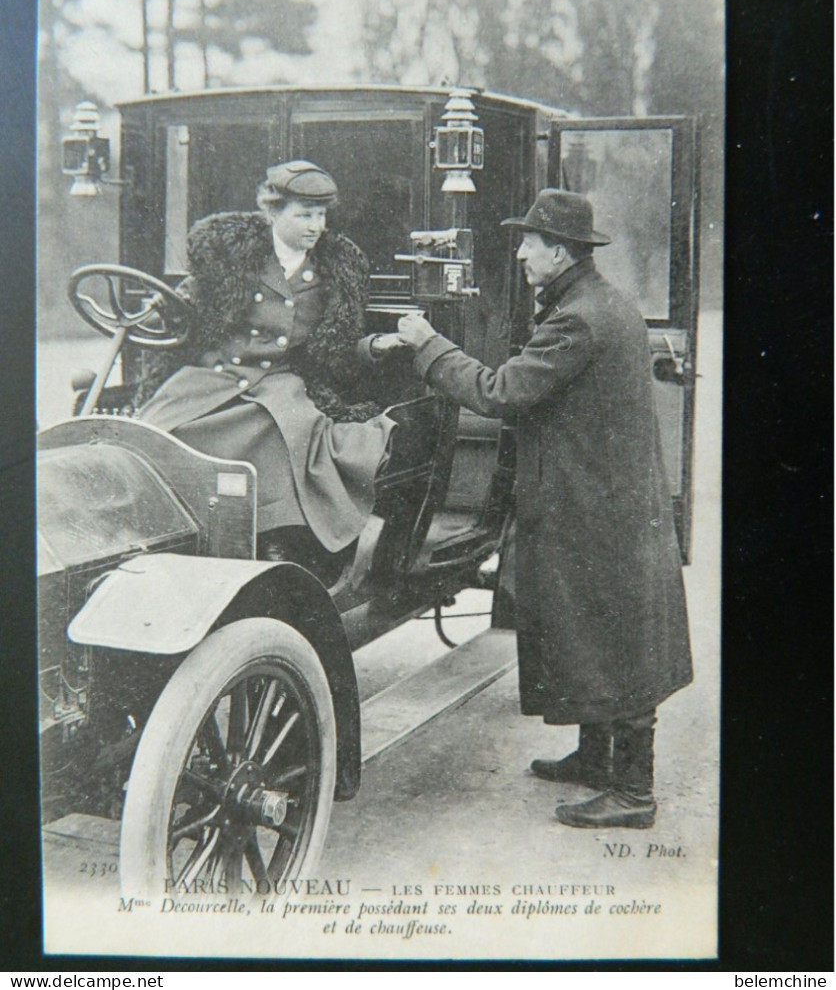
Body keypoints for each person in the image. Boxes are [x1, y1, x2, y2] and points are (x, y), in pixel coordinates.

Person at [398, 188, 693, 829]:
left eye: (530, 242)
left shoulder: (578, 318)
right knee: (595, 627)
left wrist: (428, 345)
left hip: (599, 507)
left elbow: (501, 392)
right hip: (604, 500)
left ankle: (634, 793)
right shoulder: (593, 301)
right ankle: (595, 760)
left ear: (558, 251)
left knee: (615, 636)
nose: (523, 254)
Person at [138, 160, 403, 566]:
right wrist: (158, 313)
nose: (315, 226)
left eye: (321, 215)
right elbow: (187, 308)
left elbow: (339, 344)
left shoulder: (331, 273)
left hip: (279, 385)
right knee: (157, 433)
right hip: (213, 378)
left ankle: (271, 536)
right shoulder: (233, 260)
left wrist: (375, 345)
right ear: (273, 213)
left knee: (283, 440)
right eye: (303, 215)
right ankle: (167, 534)